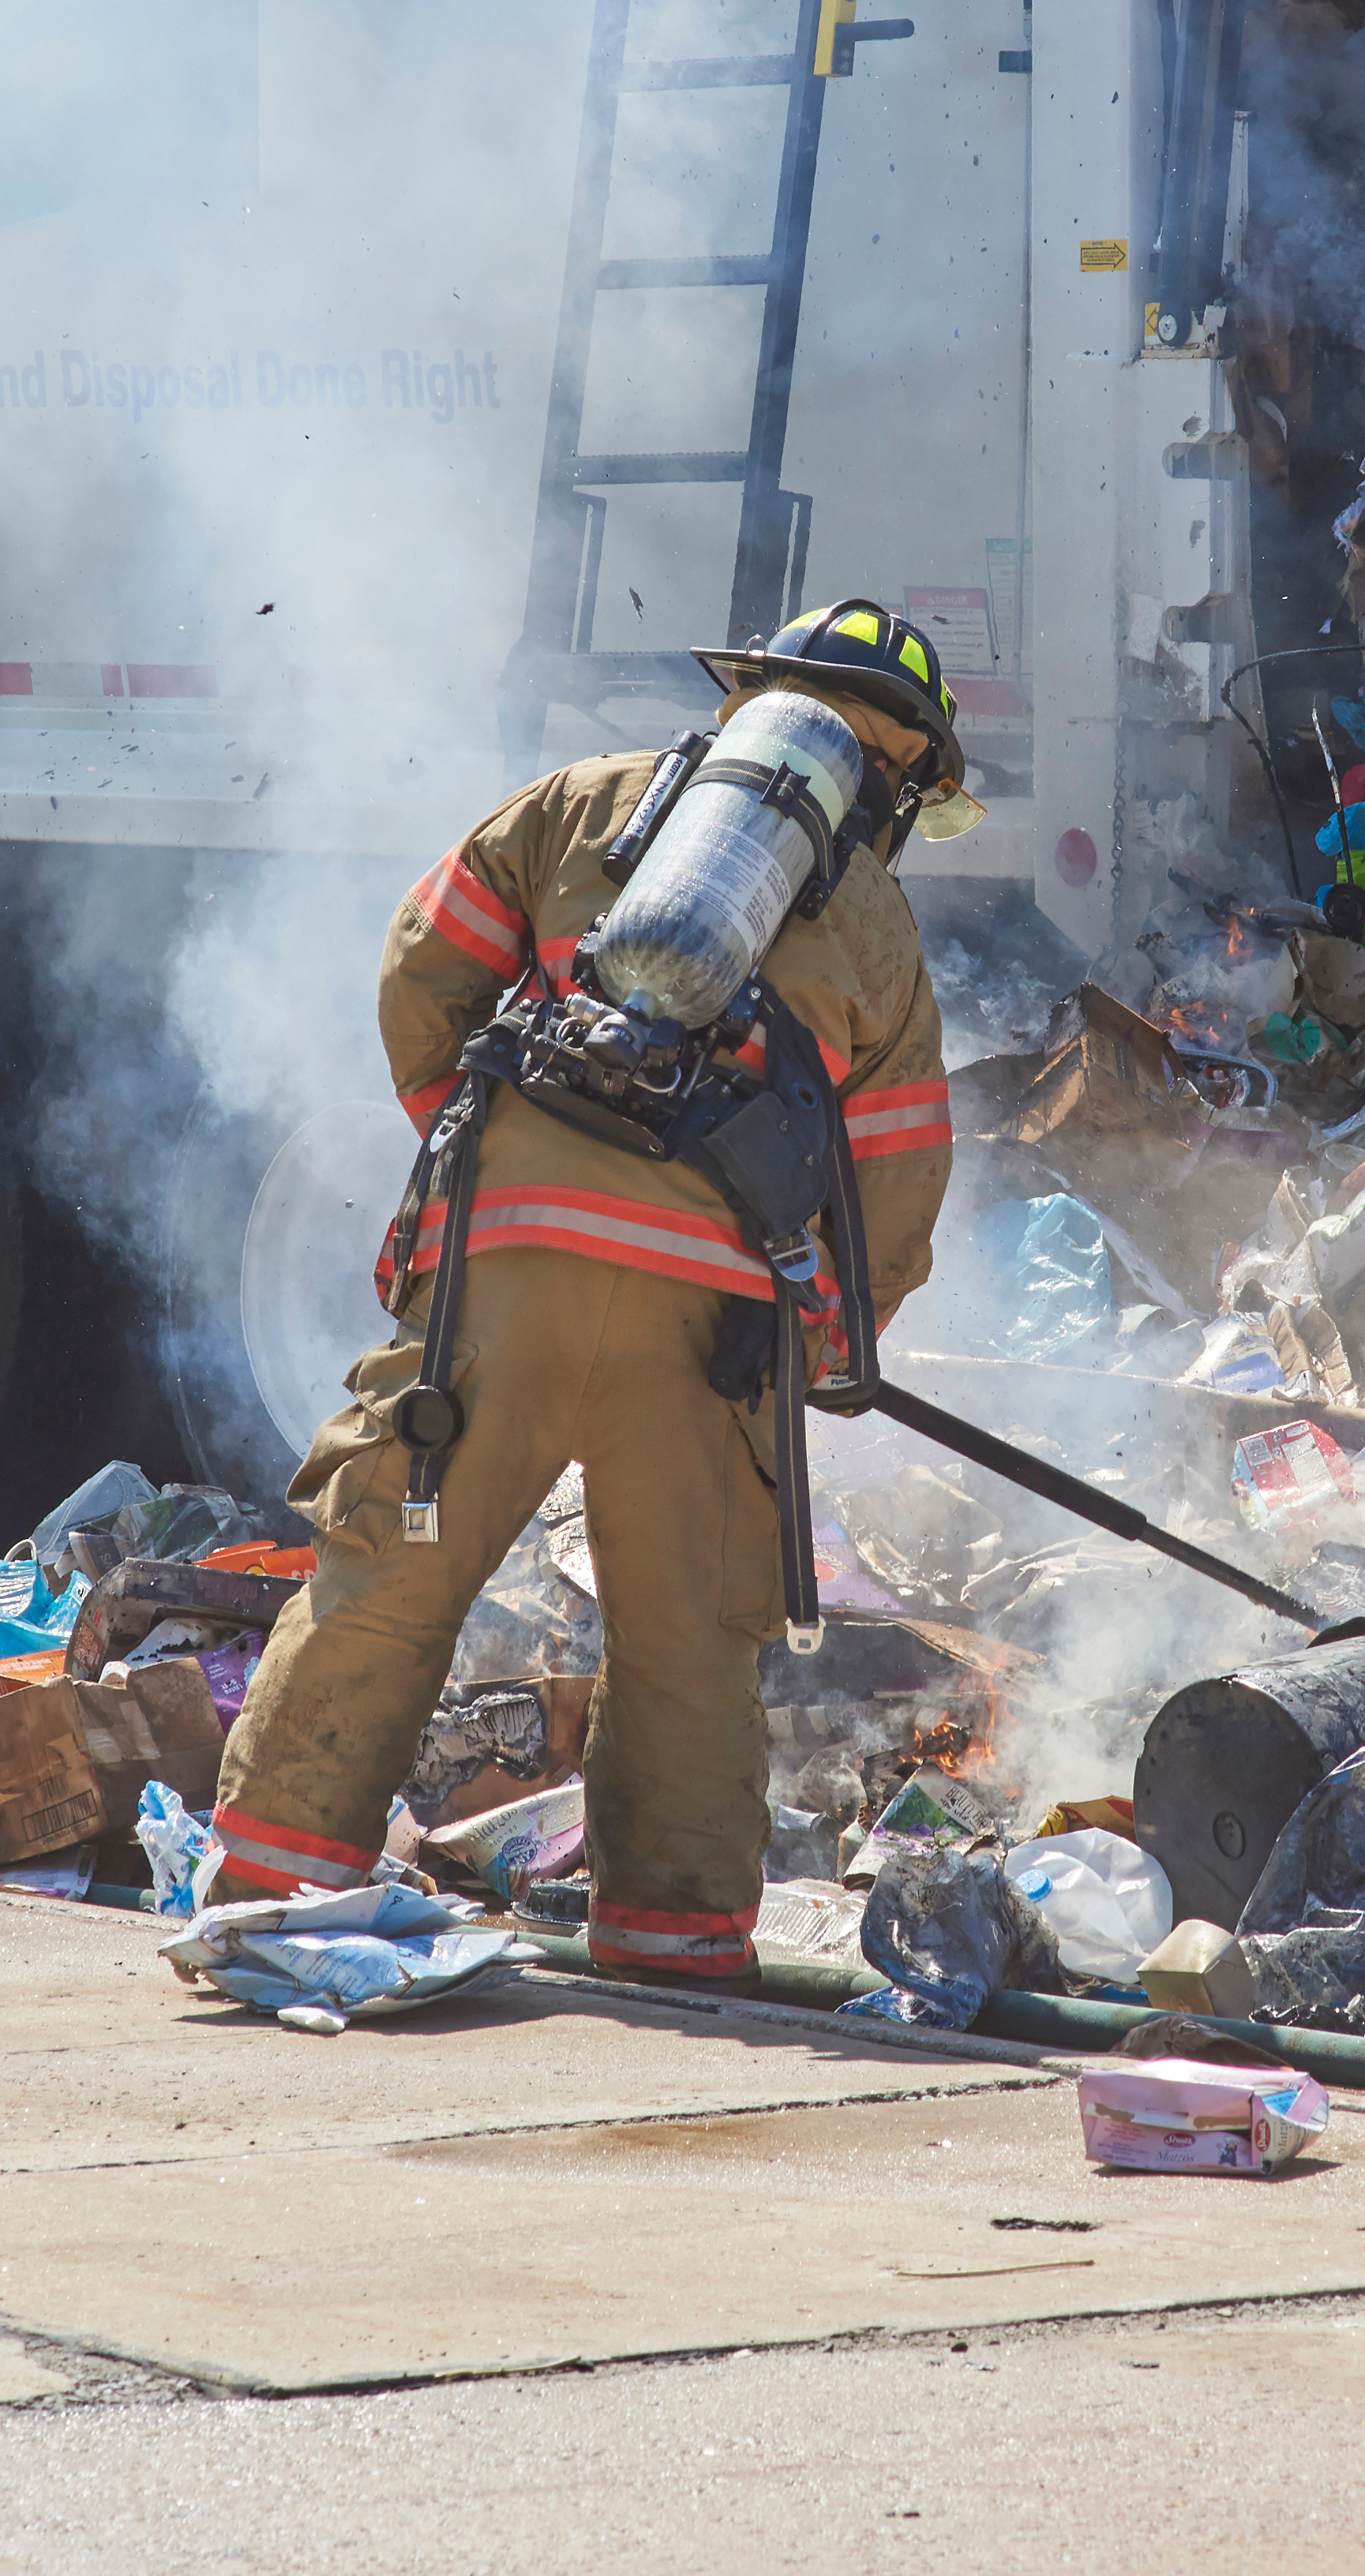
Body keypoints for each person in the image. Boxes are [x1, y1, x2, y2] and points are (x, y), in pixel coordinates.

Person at [201, 601, 967, 1984]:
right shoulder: (874, 920)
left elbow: (419, 962)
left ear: (751, 700)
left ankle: (271, 1885)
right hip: (708, 1330)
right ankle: (673, 1946)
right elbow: (894, 1182)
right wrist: (827, 1345)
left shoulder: (579, 806)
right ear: (897, 772)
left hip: (501, 1288)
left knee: (394, 1564)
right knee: (687, 1635)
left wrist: (467, 1144)